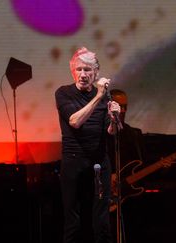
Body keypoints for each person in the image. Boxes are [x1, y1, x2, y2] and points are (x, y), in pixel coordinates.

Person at [55, 47, 121, 243]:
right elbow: (75, 121)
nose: (82, 75)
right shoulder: (64, 93)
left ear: (96, 73)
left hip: (99, 162)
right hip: (73, 162)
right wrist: (99, 97)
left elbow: (112, 132)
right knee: (73, 220)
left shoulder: (106, 98)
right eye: (79, 70)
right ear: (73, 71)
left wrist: (115, 117)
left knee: (101, 220)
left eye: (87, 70)